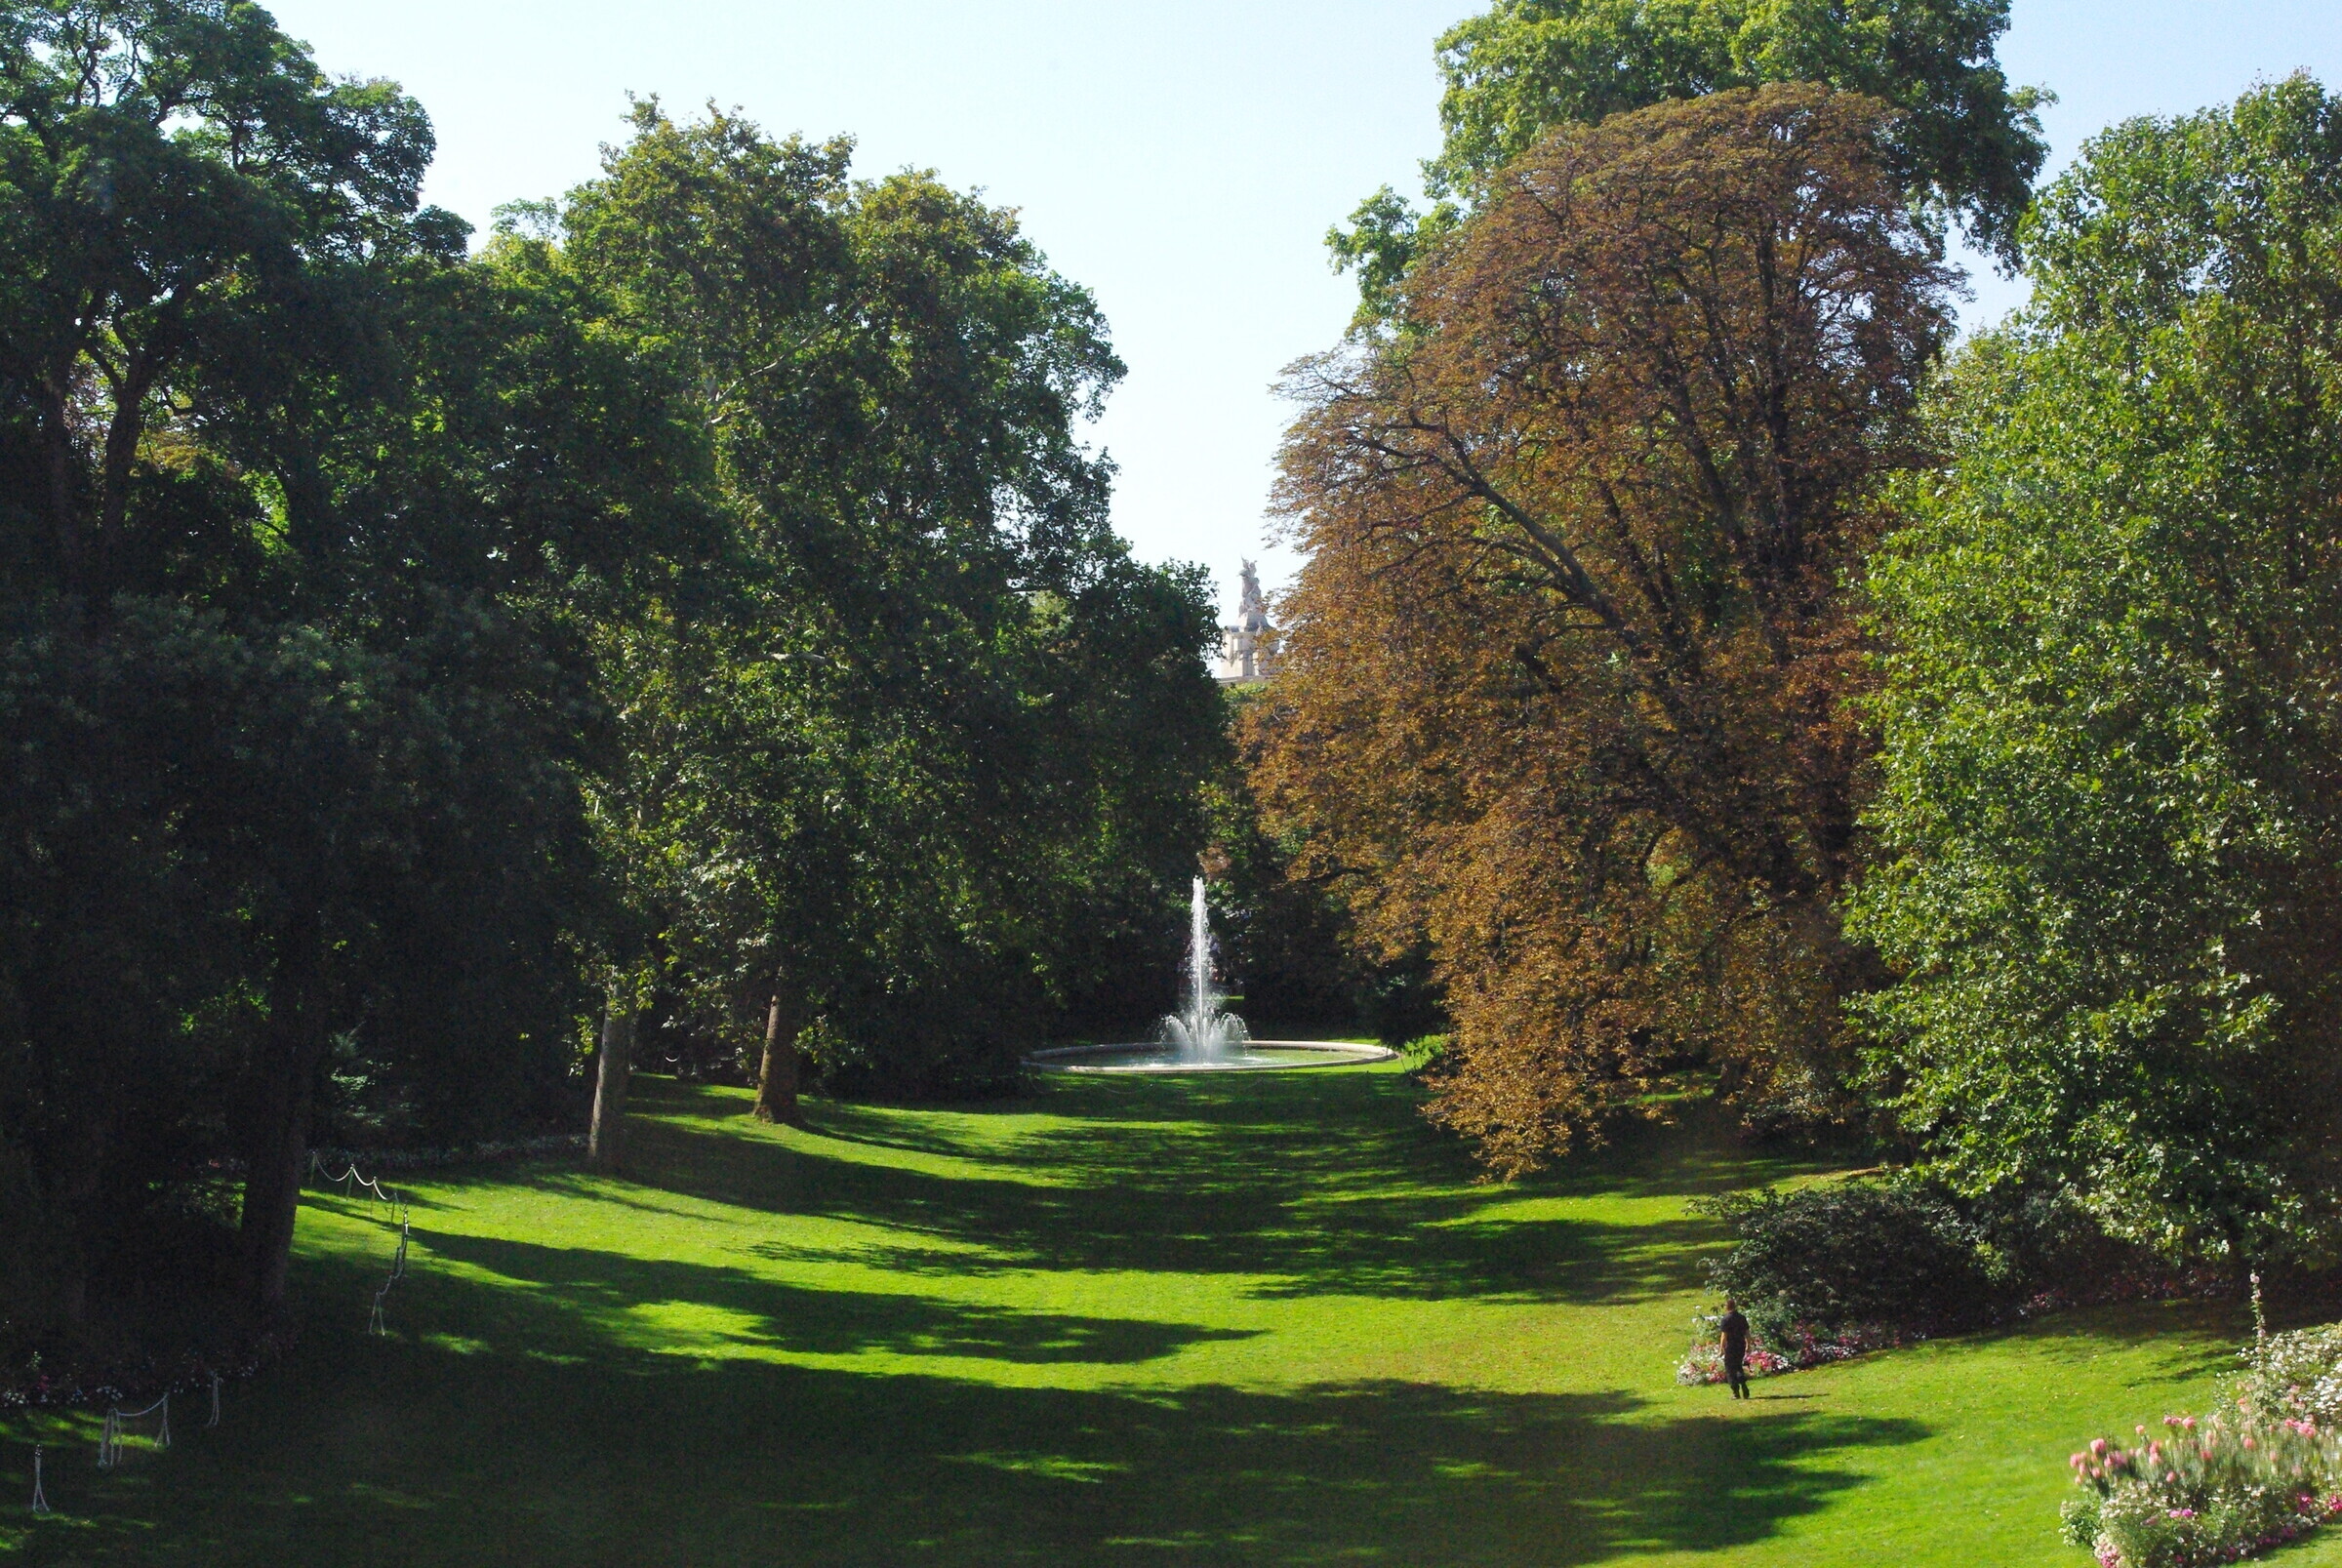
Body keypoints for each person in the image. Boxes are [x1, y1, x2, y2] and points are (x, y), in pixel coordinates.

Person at [1718, 1299, 1752, 1399]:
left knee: (1730, 1369)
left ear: (1727, 1307)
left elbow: (1724, 1336)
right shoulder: (1741, 1318)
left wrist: (1721, 1348)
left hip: (1731, 1346)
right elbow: (1747, 1333)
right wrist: (1748, 1345)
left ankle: (1735, 1392)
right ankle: (1744, 1385)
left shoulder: (1726, 1319)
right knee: (1738, 1366)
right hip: (1740, 1345)